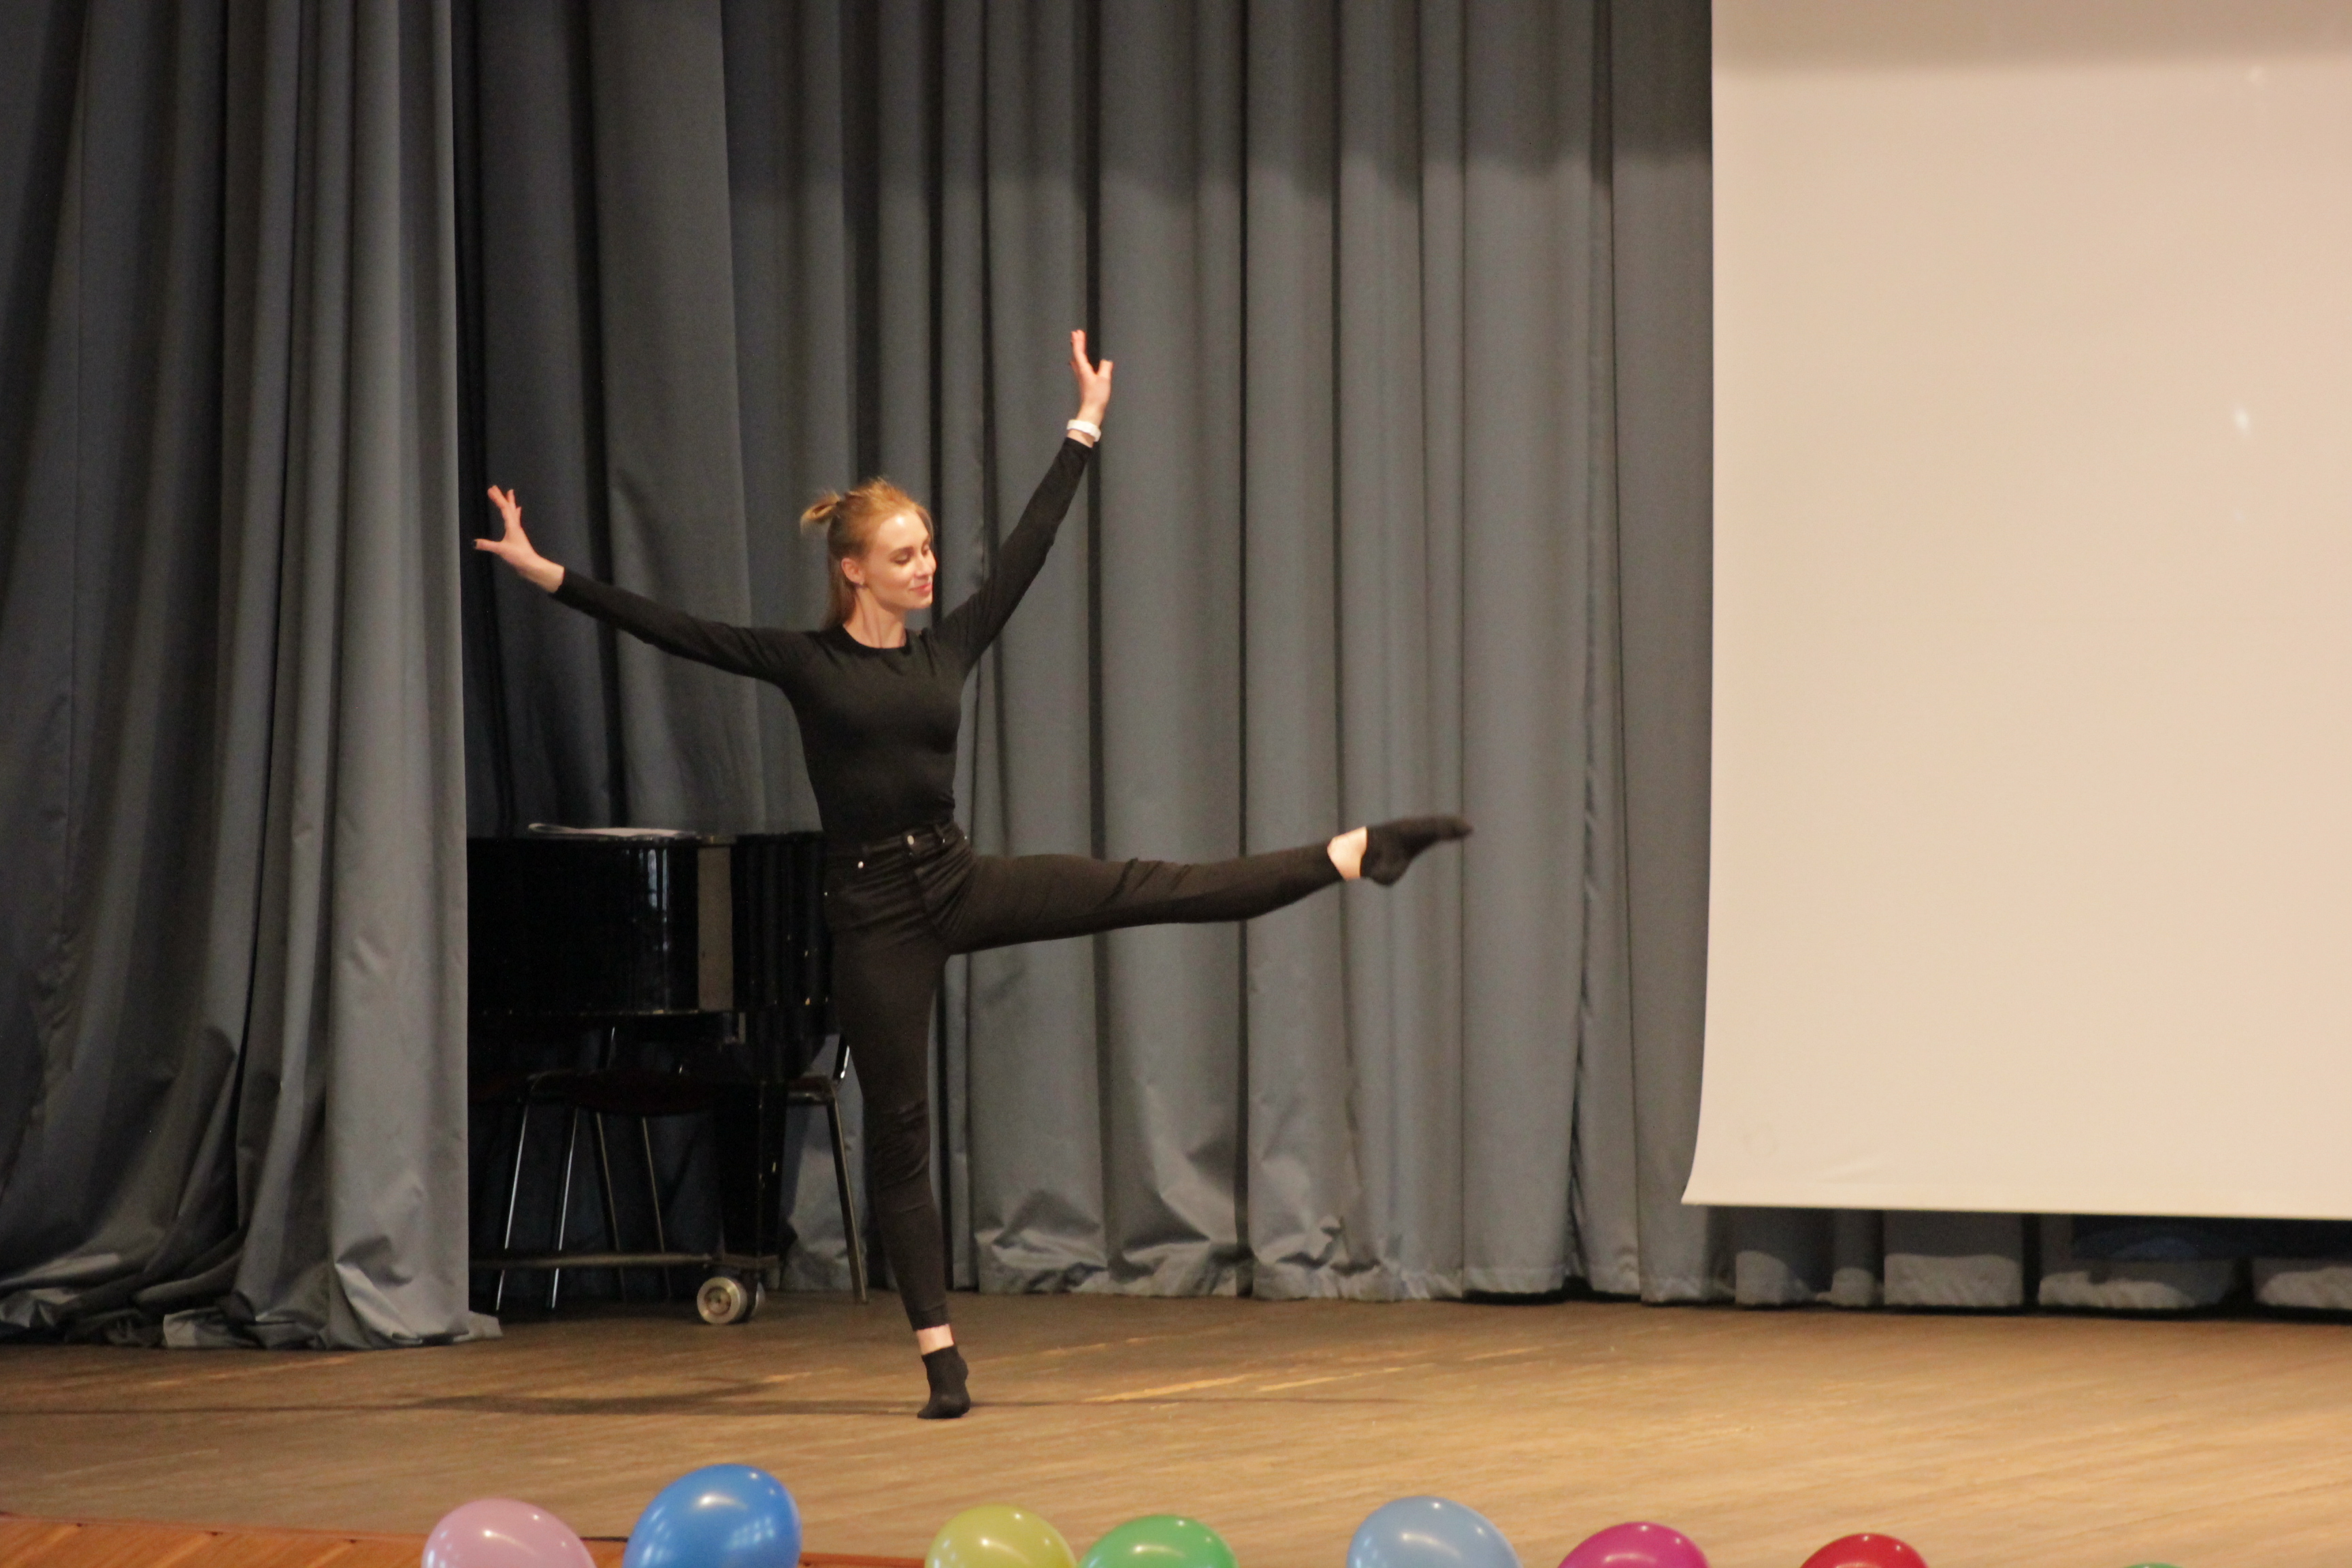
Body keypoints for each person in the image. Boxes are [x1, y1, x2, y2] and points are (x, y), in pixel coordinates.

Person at [477, 331, 1469, 1418]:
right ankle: (940, 1358)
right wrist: (544, 572)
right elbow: (672, 630)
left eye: (929, 551)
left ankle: (1350, 854)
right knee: (901, 1132)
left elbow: (1029, 550)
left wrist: (1084, 426)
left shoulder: (945, 649)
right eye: (904, 555)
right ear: (853, 569)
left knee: (1149, 886)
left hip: (956, 881)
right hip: (873, 921)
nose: (926, 567)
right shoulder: (805, 664)